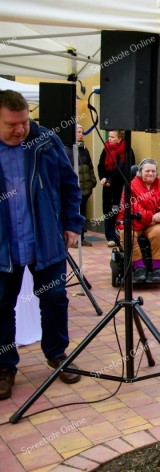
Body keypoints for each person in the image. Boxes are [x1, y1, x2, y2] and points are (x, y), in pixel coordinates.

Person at [0, 89, 84, 400]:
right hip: (4, 245)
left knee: (55, 300)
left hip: (45, 239)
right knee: (1, 308)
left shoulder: (45, 141)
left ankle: (57, 354)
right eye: (11, 125)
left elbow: (69, 184)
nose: (19, 129)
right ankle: (4, 367)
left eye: (23, 122)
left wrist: (72, 223)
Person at [117, 159, 160, 283]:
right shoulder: (131, 186)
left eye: (153, 171)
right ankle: (139, 268)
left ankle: (158, 268)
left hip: (155, 223)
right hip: (135, 221)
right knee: (126, 234)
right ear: (140, 172)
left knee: (159, 232)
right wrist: (150, 217)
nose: (150, 173)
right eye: (147, 171)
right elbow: (131, 205)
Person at [98, 129, 135, 248]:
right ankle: (110, 237)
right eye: (109, 136)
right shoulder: (106, 149)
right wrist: (103, 177)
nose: (109, 139)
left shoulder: (127, 150)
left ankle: (121, 235)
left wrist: (112, 180)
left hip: (121, 186)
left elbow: (126, 169)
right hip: (108, 186)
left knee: (120, 210)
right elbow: (100, 166)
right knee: (108, 210)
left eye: (112, 137)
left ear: (120, 138)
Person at [66, 125, 97, 247]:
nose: (81, 134)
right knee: (74, 212)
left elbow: (90, 167)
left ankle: (81, 238)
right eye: (78, 132)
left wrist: (92, 182)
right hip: (73, 189)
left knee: (83, 213)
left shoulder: (85, 149)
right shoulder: (66, 149)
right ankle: (73, 239)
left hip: (85, 189)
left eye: (82, 132)